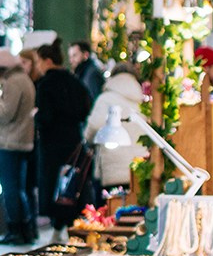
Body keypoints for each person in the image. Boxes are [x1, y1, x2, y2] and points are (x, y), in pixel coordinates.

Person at [29, 42, 92, 230]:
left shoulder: (46, 85)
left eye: (39, 62)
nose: (37, 67)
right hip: (74, 141)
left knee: (53, 186)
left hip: (52, 145)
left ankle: (58, 226)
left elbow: (46, 117)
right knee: (72, 185)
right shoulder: (74, 81)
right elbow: (85, 108)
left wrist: (36, 115)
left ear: (47, 61)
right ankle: (72, 225)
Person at [0, 49, 37, 244]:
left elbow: (7, 113)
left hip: (10, 142)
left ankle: (15, 230)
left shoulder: (12, 82)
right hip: (23, 140)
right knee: (19, 188)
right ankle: (26, 229)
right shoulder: (24, 79)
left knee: (10, 188)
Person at [81, 65, 148, 201]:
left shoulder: (105, 99)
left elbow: (93, 128)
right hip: (137, 170)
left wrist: (89, 142)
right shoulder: (141, 103)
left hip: (112, 171)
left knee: (110, 213)